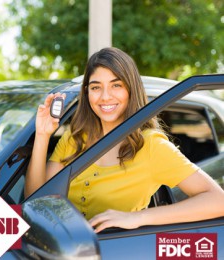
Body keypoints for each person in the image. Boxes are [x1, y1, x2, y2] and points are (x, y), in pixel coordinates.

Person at [25, 47, 224, 233]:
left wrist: (137, 217)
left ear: (131, 89)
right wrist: (43, 136)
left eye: (116, 85)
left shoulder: (152, 146)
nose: (105, 96)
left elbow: (218, 200)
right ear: (87, 93)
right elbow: (34, 201)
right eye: (96, 87)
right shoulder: (75, 137)